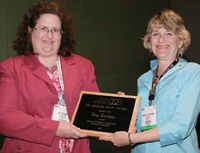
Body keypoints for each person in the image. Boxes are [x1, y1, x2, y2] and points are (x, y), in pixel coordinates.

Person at [0, 2, 99, 153]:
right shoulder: (12, 68)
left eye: (55, 30)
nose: (50, 36)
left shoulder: (83, 65)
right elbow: (5, 118)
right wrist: (55, 128)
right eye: (43, 29)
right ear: (30, 30)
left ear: (62, 34)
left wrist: (119, 109)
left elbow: (95, 111)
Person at [100, 9, 200, 153]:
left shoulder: (192, 72)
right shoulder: (144, 79)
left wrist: (131, 139)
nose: (161, 40)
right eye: (156, 34)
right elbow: (140, 125)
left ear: (181, 41)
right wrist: (124, 110)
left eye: (169, 34)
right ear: (149, 41)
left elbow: (180, 127)